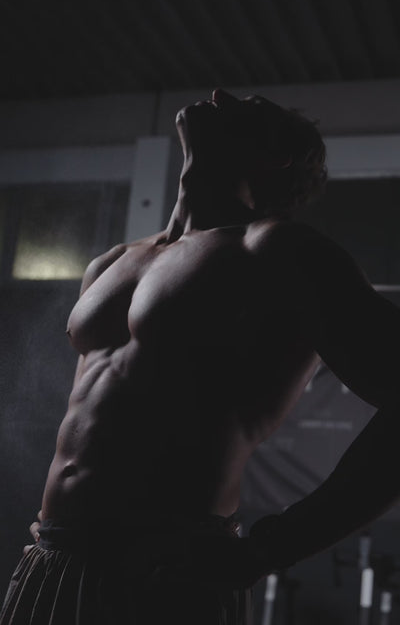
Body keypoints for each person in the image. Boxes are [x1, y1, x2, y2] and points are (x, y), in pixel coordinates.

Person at [1, 88, 400, 624]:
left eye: (246, 107)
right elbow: (102, 409)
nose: (217, 95)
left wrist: (268, 549)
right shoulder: (111, 262)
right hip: (53, 556)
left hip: (165, 574)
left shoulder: (280, 251)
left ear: (277, 155)